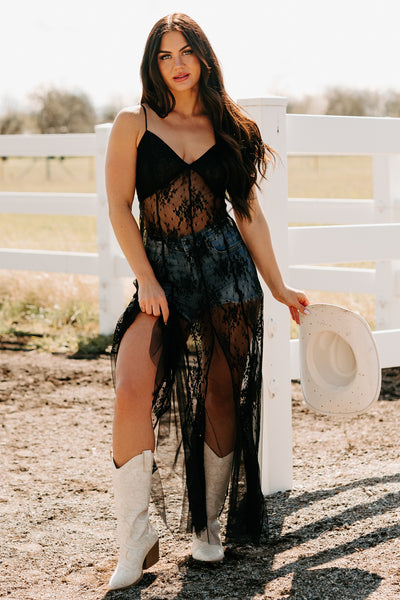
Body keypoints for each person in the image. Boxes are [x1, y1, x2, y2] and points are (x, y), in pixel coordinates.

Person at [105, 12, 310, 591]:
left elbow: (248, 213)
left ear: (203, 56)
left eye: (186, 52)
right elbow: (119, 207)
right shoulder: (134, 123)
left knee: (222, 393)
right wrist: (146, 278)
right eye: (165, 55)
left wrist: (277, 285)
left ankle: (208, 525)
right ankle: (136, 537)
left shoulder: (229, 127)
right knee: (131, 384)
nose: (177, 64)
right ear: (153, 64)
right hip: (162, 276)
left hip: (228, 276)